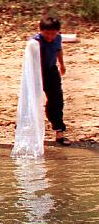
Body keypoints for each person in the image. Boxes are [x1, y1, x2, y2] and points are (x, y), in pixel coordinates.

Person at [33, 16, 70, 146]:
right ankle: (27, 130)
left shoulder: (58, 38)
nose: (50, 36)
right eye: (47, 33)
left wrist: (62, 64)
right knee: (33, 101)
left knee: (57, 101)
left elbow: (58, 50)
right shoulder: (35, 42)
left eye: (53, 33)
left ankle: (59, 131)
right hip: (36, 73)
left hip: (51, 71)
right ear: (41, 31)